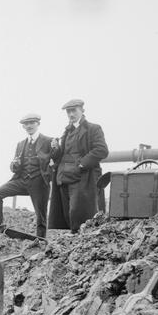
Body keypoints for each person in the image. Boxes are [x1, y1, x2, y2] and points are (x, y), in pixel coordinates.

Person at [48, 99, 109, 233]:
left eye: (74, 110)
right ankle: (73, 238)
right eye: (68, 111)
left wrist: (81, 164)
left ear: (82, 110)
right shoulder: (66, 132)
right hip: (63, 176)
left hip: (83, 176)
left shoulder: (93, 128)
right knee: (67, 211)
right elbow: (60, 155)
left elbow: (101, 150)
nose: (71, 114)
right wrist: (56, 149)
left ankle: (80, 238)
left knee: (78, 211)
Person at [0, 113, 54, 237]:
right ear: (23, 127)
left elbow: (56, 158)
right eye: (26, 124)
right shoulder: (20, 144)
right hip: (22, 181)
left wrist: (50, 173)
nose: (29, 126)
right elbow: (14, 166)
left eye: (32, 123)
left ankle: (40, 241)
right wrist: (14, 164)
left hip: (39, 183)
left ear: (38, 124)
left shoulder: (48, 141)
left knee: (41, 215)